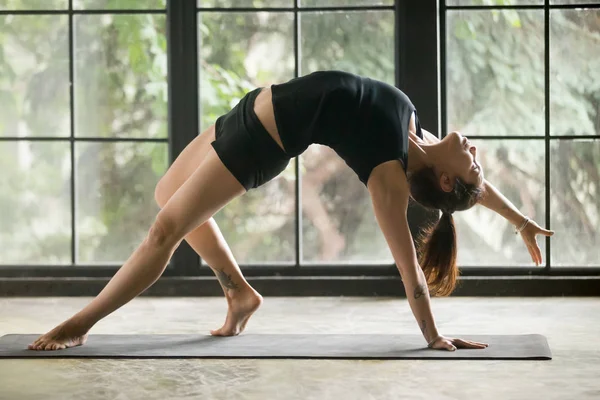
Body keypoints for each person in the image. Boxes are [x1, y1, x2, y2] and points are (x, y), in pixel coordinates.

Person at [28, 70, 553, 352]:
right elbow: (475, 194)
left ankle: (80, 323)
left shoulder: (389, 174)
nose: (478, 155)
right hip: (247, 110)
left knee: (164, 230)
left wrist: (433, 335)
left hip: (261, 143)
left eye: (474, 167)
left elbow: (410, 273)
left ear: (445, 179)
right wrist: (520, 220)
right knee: (167, 195)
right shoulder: (417, 133)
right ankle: (239, 293)